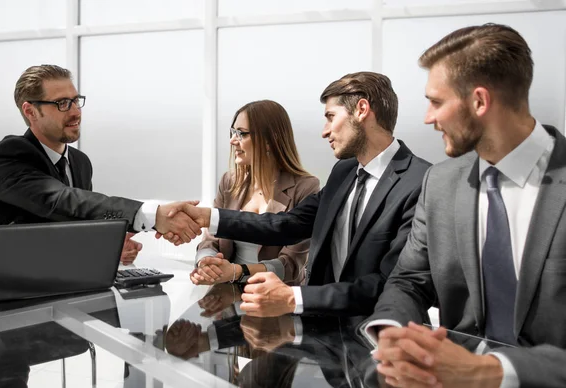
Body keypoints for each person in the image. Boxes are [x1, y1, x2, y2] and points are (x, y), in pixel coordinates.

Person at [363, 24, 566, 388]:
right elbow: (409, 280)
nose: (428, 117)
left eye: (436, 102)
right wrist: (392, 333)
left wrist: (492, 371)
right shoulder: (439, 183)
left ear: (479, 101)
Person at [168, 72, 431, 316]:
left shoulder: (421, 182)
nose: (324, 131)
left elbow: (392, 283)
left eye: (330, 117)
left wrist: (294, 298)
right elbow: (286, 225)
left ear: (361, 110)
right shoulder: (344, 172)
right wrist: (205, 217)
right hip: (324, 334)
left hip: (382, 338)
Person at [0, 64, 201, 265]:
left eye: (76, 101)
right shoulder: (10, 155)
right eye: (62, 104)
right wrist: (152, 215)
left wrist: (109, 248)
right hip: (13, 293)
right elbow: (62, 201)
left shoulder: (80, 162)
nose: (76, 112)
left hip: (68, 285)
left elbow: (75, 224)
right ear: (30, 111)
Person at [190, 100, 320, 286]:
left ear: (270, 140)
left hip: (275, 298)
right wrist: (205, 263)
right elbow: (210, 240)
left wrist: (236, 272)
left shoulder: (306, 187)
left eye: (241, 133)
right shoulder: (229, 182)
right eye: (233, 132)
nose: (232, 141)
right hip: (227, 295)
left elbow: (291, 265)